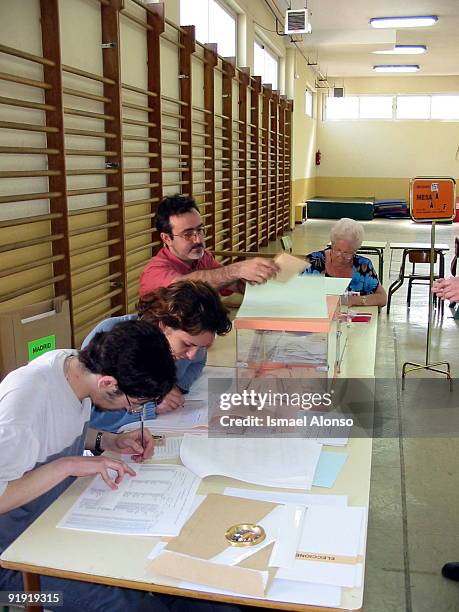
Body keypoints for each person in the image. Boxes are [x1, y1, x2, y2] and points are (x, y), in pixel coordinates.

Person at [0, 321, 240, 612]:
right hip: (13, 566)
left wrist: (111, 440)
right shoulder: (22, 408)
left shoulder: (75, 368)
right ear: (108, 383)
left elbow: (50, 436)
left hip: (59, 520)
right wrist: (66, 466)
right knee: (126, 605)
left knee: (170, 576)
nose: (132, 411)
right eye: (135, 403)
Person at [84, 280, 232, 433]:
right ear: (164, 325)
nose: (192, 355)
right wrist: (151, 407)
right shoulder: (111, 340)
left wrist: (177, 386)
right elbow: (89, 416)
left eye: (201, 346)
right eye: (187, 344)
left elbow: (199, 361)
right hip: (102, 441)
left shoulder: (191, 343)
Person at [139, 194, 279, 297]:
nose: (198, 240)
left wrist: (265, 278)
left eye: (199, 230)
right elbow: (184, 286)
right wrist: (238, 269)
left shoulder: (202, 258)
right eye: (188, 234)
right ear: (167, 238)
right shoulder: (155, 271)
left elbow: (231, 282)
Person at [301, 217, 387, 307]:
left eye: (347, 253)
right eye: (337, 250)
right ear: (332, 244)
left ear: (355, 251)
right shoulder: (313, 262)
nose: (340, 256)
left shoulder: (363, 266)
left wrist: (355, 300)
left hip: (352, 319)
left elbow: (382, 298)